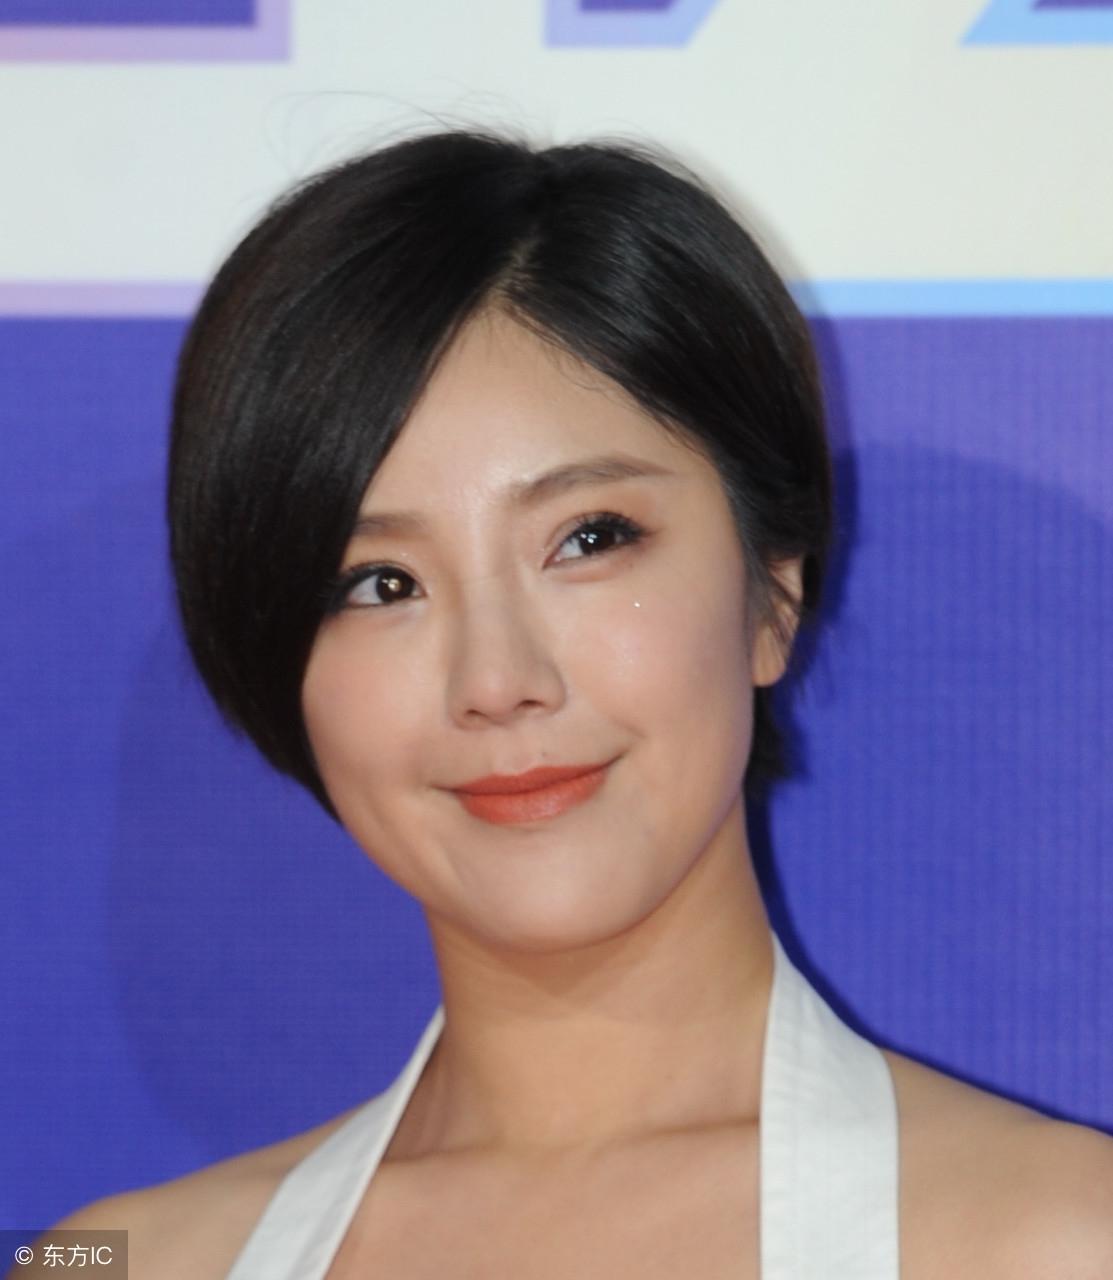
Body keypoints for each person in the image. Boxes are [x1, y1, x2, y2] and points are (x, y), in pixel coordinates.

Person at [50, 126, 1113, 1279]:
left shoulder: (1063, 1236)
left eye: (590, 537)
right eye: (380, 583)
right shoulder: (112, 1261)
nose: (497, 679)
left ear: (772, 589)